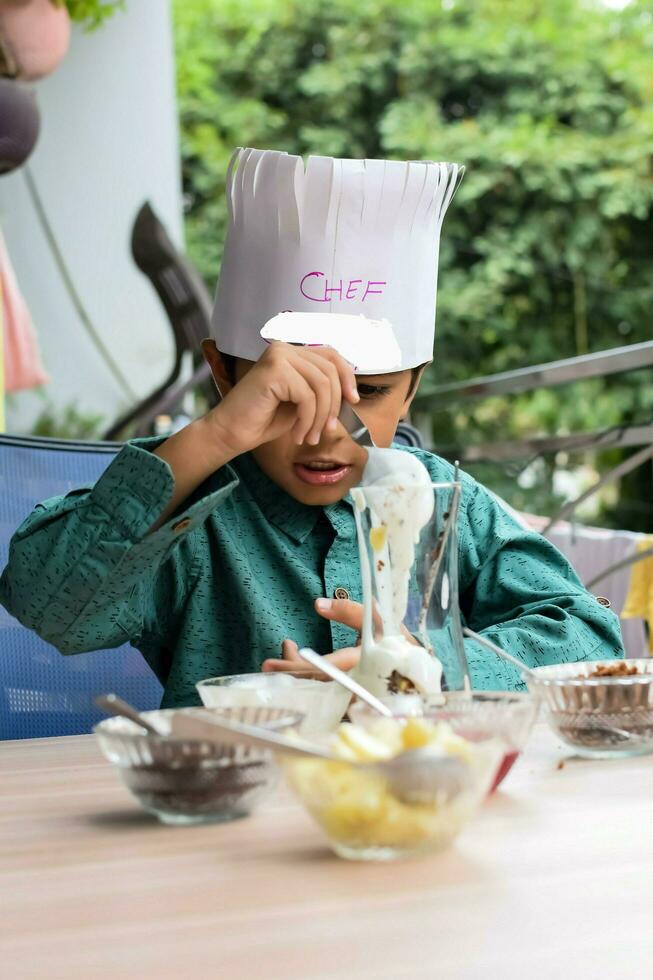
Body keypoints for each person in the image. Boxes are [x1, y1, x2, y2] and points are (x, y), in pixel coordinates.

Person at [0, 149, 623, 707]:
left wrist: (429, 665)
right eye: (286, 396)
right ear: (224, 375)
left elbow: (586, 636)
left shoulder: (447, 508)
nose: (324, 431)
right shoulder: (194, 521)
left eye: (369, 393)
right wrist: (213, 437)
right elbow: (46, 604)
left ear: (414, 387)